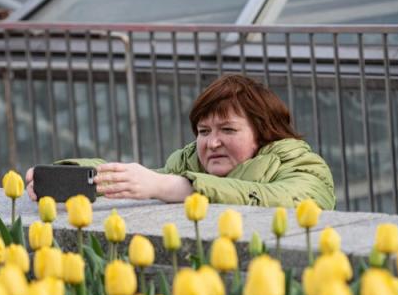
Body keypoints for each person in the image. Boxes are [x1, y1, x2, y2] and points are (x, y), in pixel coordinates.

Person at [26, 74, 336, 209]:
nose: (212, 143)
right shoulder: (187, 163)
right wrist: (67, 175)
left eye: (228, 130)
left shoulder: (302, 165)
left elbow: (297, 201)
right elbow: (142, 179)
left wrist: (178, 188)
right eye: (204, 131)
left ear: (264, 132)